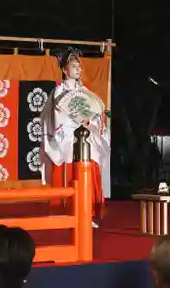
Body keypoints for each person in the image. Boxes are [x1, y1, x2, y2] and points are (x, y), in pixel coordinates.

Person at [40, 47, 110, 226]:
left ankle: (87, 214)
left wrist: (92, 121)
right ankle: (63, 212)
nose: (78, 70)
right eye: (74, 66)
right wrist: (75, 121)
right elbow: (56, 117)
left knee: (89, 166)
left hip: (85, 136)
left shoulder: (85, 91)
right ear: (65, 70)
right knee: (68, 170)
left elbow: (94, 112)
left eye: (79, 67)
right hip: (67, 138)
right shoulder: (58, 92)